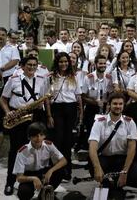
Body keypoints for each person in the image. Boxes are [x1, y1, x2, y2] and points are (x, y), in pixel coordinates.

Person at [0, 56, 49, 195]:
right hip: (18, 117)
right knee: (16, 150)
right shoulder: (13, 79)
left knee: (36, 149)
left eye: (34, 65)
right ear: (22, 66)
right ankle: (10, 182)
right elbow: (3, 99)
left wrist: (44, 111)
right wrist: (8, 113)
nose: (32, 67)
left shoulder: (41, 79)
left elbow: (44, 99)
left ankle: (34, 180)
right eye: (29, 65)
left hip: (35, 116)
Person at [88, 92, 137, 187]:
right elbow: (92, 147)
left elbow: (131, 149)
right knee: (101, 176)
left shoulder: (130, 122)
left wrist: (125, 172)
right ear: (109, 105)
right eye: (115, 104)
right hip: (104, 158)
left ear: (124, 105)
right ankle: (110, 181)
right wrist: (97, 167)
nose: (118, 106)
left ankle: (115, 180)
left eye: (120, 104)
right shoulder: (99, 122)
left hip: (121, 159)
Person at [46, 52, 83, 180]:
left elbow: (78, 96)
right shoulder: (51, 77)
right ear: (57, 63)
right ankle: (57, 170)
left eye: (66, 61)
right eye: (61, 62)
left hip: (70, 109)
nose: (64, 64)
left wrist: (81, 114)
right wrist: (49, 115)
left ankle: (67, 170)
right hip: (57, 110)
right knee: (58, 140)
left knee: (68, 141)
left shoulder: (73, 76)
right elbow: (47, 98)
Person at [13, 122, 67, 200]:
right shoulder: (22, 151)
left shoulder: (49, 145)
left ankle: (44, 193)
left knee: (61, 171)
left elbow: (64, 161)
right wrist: (34, 178)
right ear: (29, 137)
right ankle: (43, 194)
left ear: (44, 135)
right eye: (35, 135)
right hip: (29, 175)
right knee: (23, 192)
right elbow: (19, 178)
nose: (38, 138)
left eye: (41, 135)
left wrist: (51, 171)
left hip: (44, 172)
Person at [81, 55, 113, 148]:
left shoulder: (109, 78)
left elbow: (111, 94)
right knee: (92, 133)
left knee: (105, 133)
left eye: (104, 63)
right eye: (100, 63)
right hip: (92, 108)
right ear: (95, 64)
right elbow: (83, 96)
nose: (103, 65)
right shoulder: (88, 78)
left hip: (105, 108)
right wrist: (95, 102)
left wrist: (107, 104)